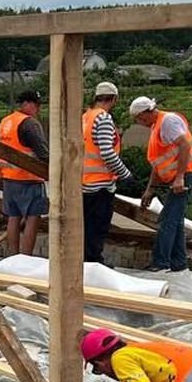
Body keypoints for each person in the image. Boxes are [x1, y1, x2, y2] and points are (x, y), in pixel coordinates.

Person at [130, 96, 192, 273]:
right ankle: (179, 263)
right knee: (175, 220)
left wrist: (180, 178)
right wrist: (150, 189)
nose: (139, 122)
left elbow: (185, 146)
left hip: (187, 175)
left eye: (139, 118)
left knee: (167, 220)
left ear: (146, 112)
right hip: (180, 176)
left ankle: (160, 263)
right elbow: (158, 164)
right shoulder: (157, 126)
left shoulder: (168, 122)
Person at [0, 89, 51, 256]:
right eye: (36, 105)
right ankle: (26, 257)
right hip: (28, 177)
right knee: (33, 217)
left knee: (13, 217)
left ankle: (13, 257)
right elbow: (43, 153)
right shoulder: (29, 124)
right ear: (27, 104)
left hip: (9, 178)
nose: (38, 109)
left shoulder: (6, 121)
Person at [81, 82, 129, 264]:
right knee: (97, 228)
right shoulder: (103, 119)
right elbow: (107, 152)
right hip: (100, 184)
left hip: (84, 182)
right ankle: (94, 264)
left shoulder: (85, 117)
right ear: (114, 99)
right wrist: (125, 174)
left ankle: (86, 262)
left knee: (86, 228)